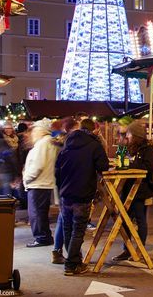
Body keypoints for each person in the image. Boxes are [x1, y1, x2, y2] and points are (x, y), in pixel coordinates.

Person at [55, 118, 109, 276]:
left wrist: (62, 186)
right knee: (78, 230)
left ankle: (73, 259)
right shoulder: (94, 145)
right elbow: (103, 166)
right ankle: (71, 265)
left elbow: (57, 169)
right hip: (83, 193)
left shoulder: (67, 144)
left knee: (68, 228)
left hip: (66, 193)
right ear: (93, 130)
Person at [112, 121, 153, 262]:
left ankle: (140, 249)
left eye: (129, 133)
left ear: (136, 135)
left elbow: (148, 167)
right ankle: (127, 249)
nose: (127, 136)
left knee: (140, 219)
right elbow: (120, 161)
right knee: (124, 219)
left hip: (140, 189)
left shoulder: (147, 149)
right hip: (127, 188)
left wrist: (129, 164)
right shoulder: (127, 146)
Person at [23, 118, 61, 248]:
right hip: (42, 182)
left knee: (36, 213)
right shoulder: (47, 142)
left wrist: (27, 178)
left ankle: (42, 237)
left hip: (38, 183)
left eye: (34, 130)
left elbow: (38, 165)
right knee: (40, 212)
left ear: (40, 130)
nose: (32, 133)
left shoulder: (43, 143)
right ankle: (44, 236)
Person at [51, 117, 79, 265]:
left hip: (62, 183)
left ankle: (59, 251)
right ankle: (64, 253)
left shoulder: (60, 141)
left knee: (64, 219)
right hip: (67, 184)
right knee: (65, 220)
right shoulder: (67, 142)